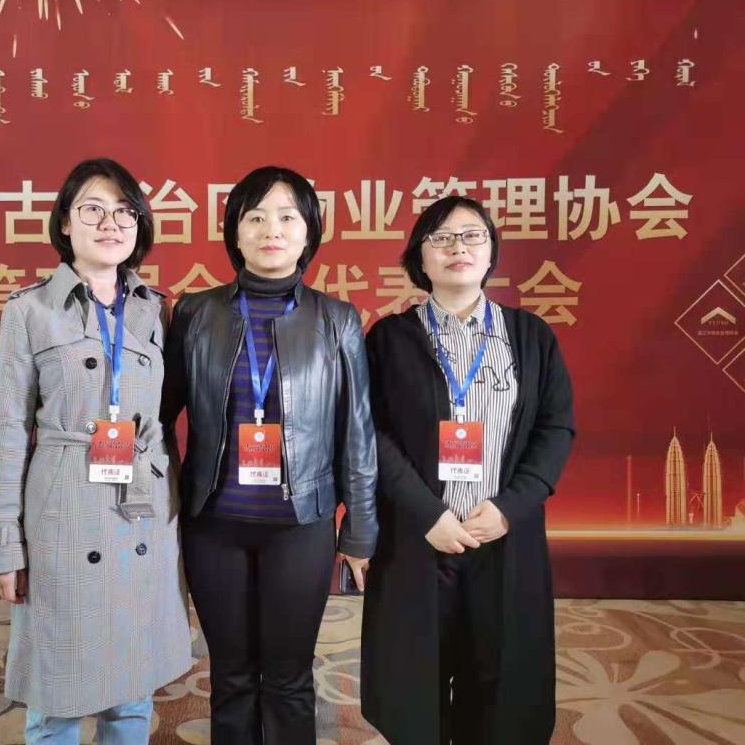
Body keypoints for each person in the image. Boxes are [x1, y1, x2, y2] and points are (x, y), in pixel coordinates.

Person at [0, 157, 191, 744]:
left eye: (124, 211)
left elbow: (165, 419)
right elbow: (9, 431)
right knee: (57, 694)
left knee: (133, 688)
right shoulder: (29, 310)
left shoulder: (156, 308)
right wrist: (2, 541)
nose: (110, 223)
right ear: (65, 222)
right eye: (93, 209)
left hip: (140, 507)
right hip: (63, 512)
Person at [162, 165, 377, 744]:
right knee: (230, 676)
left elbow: (357, 433)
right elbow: (159, 415)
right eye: (255, 217)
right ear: (235, 232)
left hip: (300, 527)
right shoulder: (196, 313)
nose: (271, 230)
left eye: (287, 217)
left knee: (288, 677)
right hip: (214, 525)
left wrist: (360, 531)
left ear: (309, 232)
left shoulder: (336, 319)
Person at [361, 196, 575, 745]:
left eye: (472, 235)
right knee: (414, 688)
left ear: (491, 251)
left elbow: (555, 430)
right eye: (441, 237)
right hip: (418, 538)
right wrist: (426, 512)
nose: (458, 247)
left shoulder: (531, 336)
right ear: (420, 258)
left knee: (502, 689)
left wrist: (509, 509)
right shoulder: (389, 338)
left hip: (504, 537)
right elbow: (372, 433)